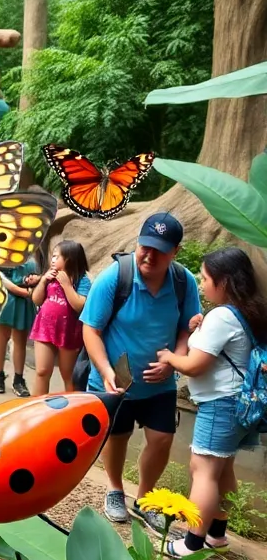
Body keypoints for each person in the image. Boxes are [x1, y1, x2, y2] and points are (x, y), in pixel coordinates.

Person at [81, 213, 202, 531]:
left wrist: (174, 360)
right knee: (116, 436)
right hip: (115, 378)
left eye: (159, 249)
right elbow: (91, 329)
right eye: (144, 245)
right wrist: (105, 370)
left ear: (175, 251)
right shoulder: (115, 277)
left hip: (159, 383)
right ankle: (115, 490)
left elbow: (186, 329)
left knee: (162, 439)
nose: (149, 254)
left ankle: (145, 499)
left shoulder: (183, 281)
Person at [154, 248, 267, 557]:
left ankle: (192, 542)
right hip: (237, 404)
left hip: (220, 404)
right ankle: (216, 534)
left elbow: (194, 365)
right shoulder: (245, 311)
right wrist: (198, 329)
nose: (201, 284)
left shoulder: (222, 316)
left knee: (202, 470)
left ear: (225, 281)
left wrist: (169, 357)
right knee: (221, 469)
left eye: (205, 278)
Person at [30, 241, 92, 395]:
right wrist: (43, 280)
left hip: (68, 332)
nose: (52, 260)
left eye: (56, 257)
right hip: (45, 328)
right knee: (42, 371)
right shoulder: (50, 276)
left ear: (69, 259)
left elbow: (79, 305)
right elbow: (36, 299)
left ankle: (72, 410)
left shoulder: (82, 279)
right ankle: (36, 409)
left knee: (68, 374)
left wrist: (66, 285)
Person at [0, 256, 41, 398]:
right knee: (1, 337)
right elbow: (0, 278)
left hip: (24, 302)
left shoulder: (31, 260)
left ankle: (18, 380)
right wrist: (24, 292)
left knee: (20, 341)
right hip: (7, 299)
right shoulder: (0, 256)